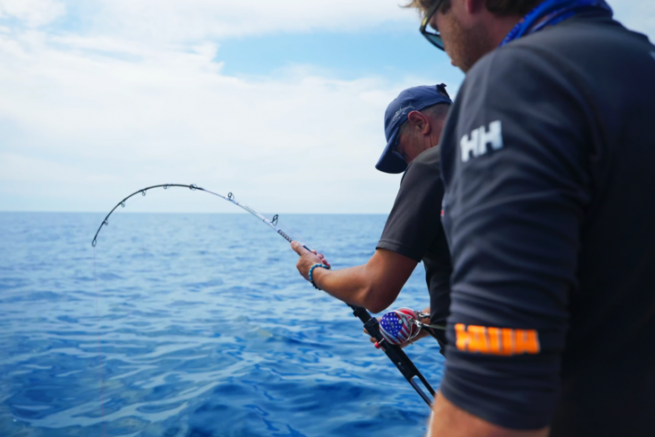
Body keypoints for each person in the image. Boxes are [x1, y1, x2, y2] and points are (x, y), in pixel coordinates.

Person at [404, 0, 655, 436]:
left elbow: (491, 397)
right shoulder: (639, 62)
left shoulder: (515, 79)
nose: (444, 50)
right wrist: (429, 323)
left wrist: (313, 271)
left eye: (434, 25)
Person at [291, 84, 453, 350]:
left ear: (419, 123)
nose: (409, 163)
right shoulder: (514, 150)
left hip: (491, 370)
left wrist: (314, 272)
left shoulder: (431, 165)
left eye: (403, 152)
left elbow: (374, 291)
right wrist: (422, 323)